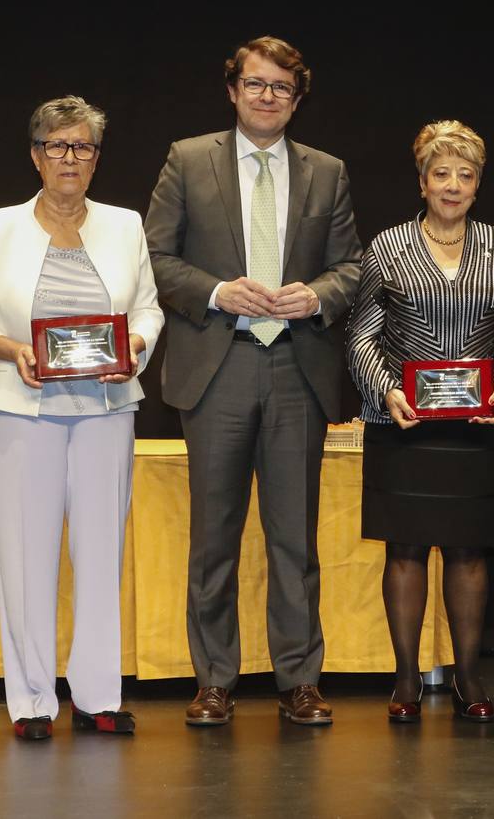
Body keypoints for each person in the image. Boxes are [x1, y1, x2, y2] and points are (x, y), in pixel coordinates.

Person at [144, 36, 362, 726]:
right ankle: (214, 680)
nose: (268, 97)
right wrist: (216, 293)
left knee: (295, 537)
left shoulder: (327, 171)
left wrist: (318, 297)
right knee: (214, 537)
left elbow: (352, 267)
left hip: (297, 368)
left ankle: (299, 680)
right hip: (219, 367)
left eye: (282, 89)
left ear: (298, 100)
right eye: (257, 85)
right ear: (232, 89)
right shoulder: (187, 159)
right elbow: (152, 257)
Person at [0, 95, 165, 740]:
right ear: (36, 155)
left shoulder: (124, 225)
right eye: (58, 146)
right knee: (25, 556)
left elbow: (148, 309)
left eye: (84, 147)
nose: (71, 158)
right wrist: (11, 351)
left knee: (102, 555)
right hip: (23, 411)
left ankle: (97, 697)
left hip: (106, 411)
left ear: (97, 159)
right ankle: (33, 702)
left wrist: (135, 350)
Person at [346, 120, 494, 723]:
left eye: (466, 174)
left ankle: (468, 676)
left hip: (476, 427)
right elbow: (362, 337)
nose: (453, 185)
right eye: (442, 173)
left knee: (469, 552)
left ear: (478, 185)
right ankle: (404, 679)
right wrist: (386, 392)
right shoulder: (386, 247)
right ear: (422, 181)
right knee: (404, 550)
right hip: (404, 424)